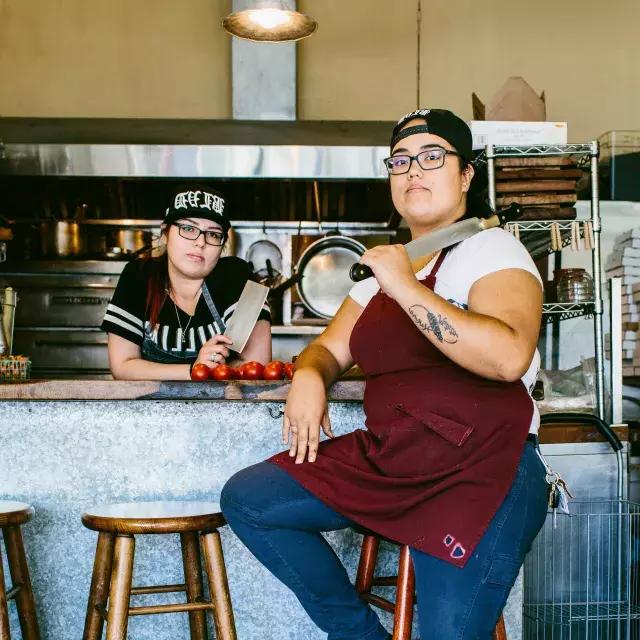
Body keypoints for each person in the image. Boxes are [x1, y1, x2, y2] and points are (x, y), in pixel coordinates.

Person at [220, 109, 550, 639]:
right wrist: (309, 377)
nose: (413, 170)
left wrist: (404, 283)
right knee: (251, 499)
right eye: (399, 161)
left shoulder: (494, 250)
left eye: (432, 157)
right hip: (396, 457)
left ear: (466, 175)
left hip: (481, 469)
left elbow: (508, 356)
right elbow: (327, 349)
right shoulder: (377, 277)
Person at [102, 187, 271, 380]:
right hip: (148, 408)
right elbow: (122, 366)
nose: (200, 242)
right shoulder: (138, 276)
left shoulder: (237, 276)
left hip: (222, 408)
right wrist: (194, 370)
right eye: (188, 229)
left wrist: (212, 369)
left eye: (213, 234)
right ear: (165, 233)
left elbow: (256, 366)